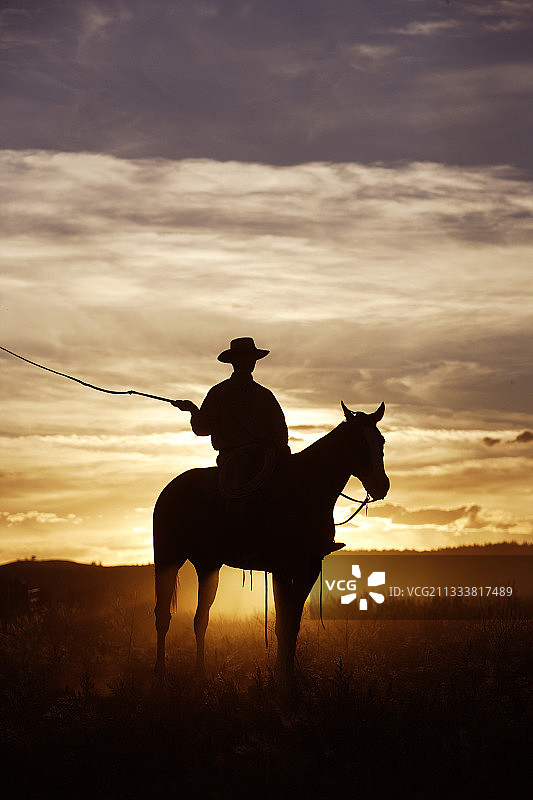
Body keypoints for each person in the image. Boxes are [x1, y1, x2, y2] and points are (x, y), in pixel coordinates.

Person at [173, 337, 290, 497]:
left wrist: (280, 450)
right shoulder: (220, 394)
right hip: (233, 462)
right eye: (245, 358)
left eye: (251, 358)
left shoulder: (263, 395)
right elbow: (203, 429)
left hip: (266, 459)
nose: (249, 362)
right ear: (234, 362)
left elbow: (280, 431)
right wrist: (193, 410)